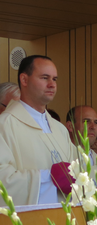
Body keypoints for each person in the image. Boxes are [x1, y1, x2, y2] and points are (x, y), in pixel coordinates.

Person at [0, 55, 78, 206]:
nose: (52, 84)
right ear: (24, 80)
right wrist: (48, 178)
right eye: (44, 78)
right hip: (27, 224)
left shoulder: (59, 129)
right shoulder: (5, 125)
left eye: (54, 79)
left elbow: (75, 170)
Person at [65, 106, 97, 199]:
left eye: (96, 122)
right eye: (86, 121)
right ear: (70, 126)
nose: (93, 127)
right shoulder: (62, 158)